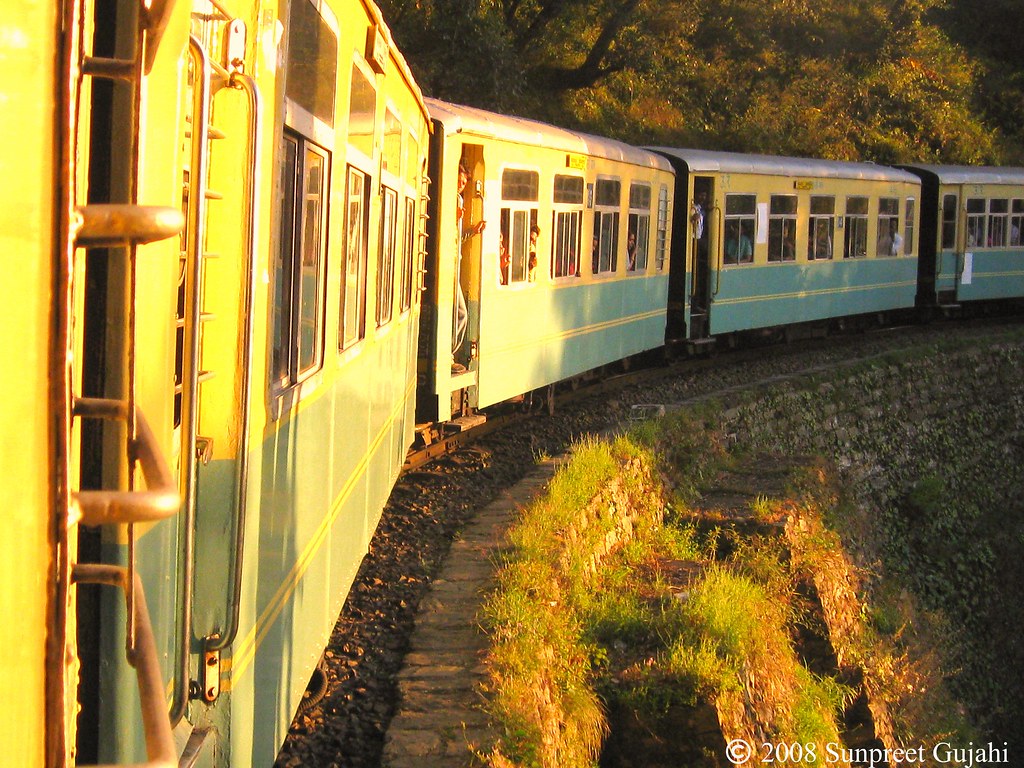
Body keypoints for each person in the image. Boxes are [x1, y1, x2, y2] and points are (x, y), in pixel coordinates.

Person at [453, 163, 484, 372]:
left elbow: (456, 235)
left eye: (465, 183)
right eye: (461, 181)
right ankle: (448, 354)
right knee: (462, 313)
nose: (462, 186)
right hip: (450, 263)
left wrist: (472, 230)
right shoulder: (452, 200)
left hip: (454, 261)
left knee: (458, 312)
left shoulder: (457, 199)